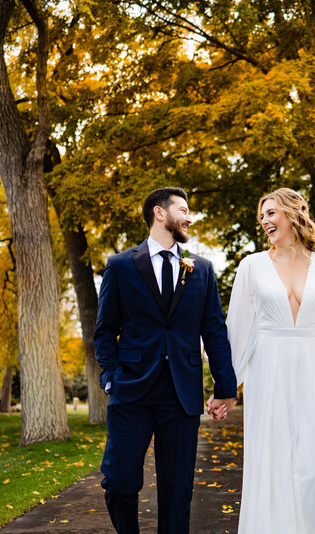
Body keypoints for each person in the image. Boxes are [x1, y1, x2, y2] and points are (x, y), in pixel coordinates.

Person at [224, 187, 315, 533]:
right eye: (262, 216)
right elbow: (237, 331)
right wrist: (227, 387)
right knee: (274, 466)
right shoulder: (251, 267)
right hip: (268, 373)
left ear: (292, 213)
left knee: (314, 468)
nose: (264, 221)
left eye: (271, 213)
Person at [94, 187, 237, 534]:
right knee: (119, 480)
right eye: (184, 209)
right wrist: (111, 376)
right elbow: (104, 330)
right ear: (160, 213)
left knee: (177, 490)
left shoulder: (201, 269)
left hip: (181, 393)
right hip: (131, 391)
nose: (190, 217)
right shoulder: (120, 265)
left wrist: (225, 386)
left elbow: (214, 329)